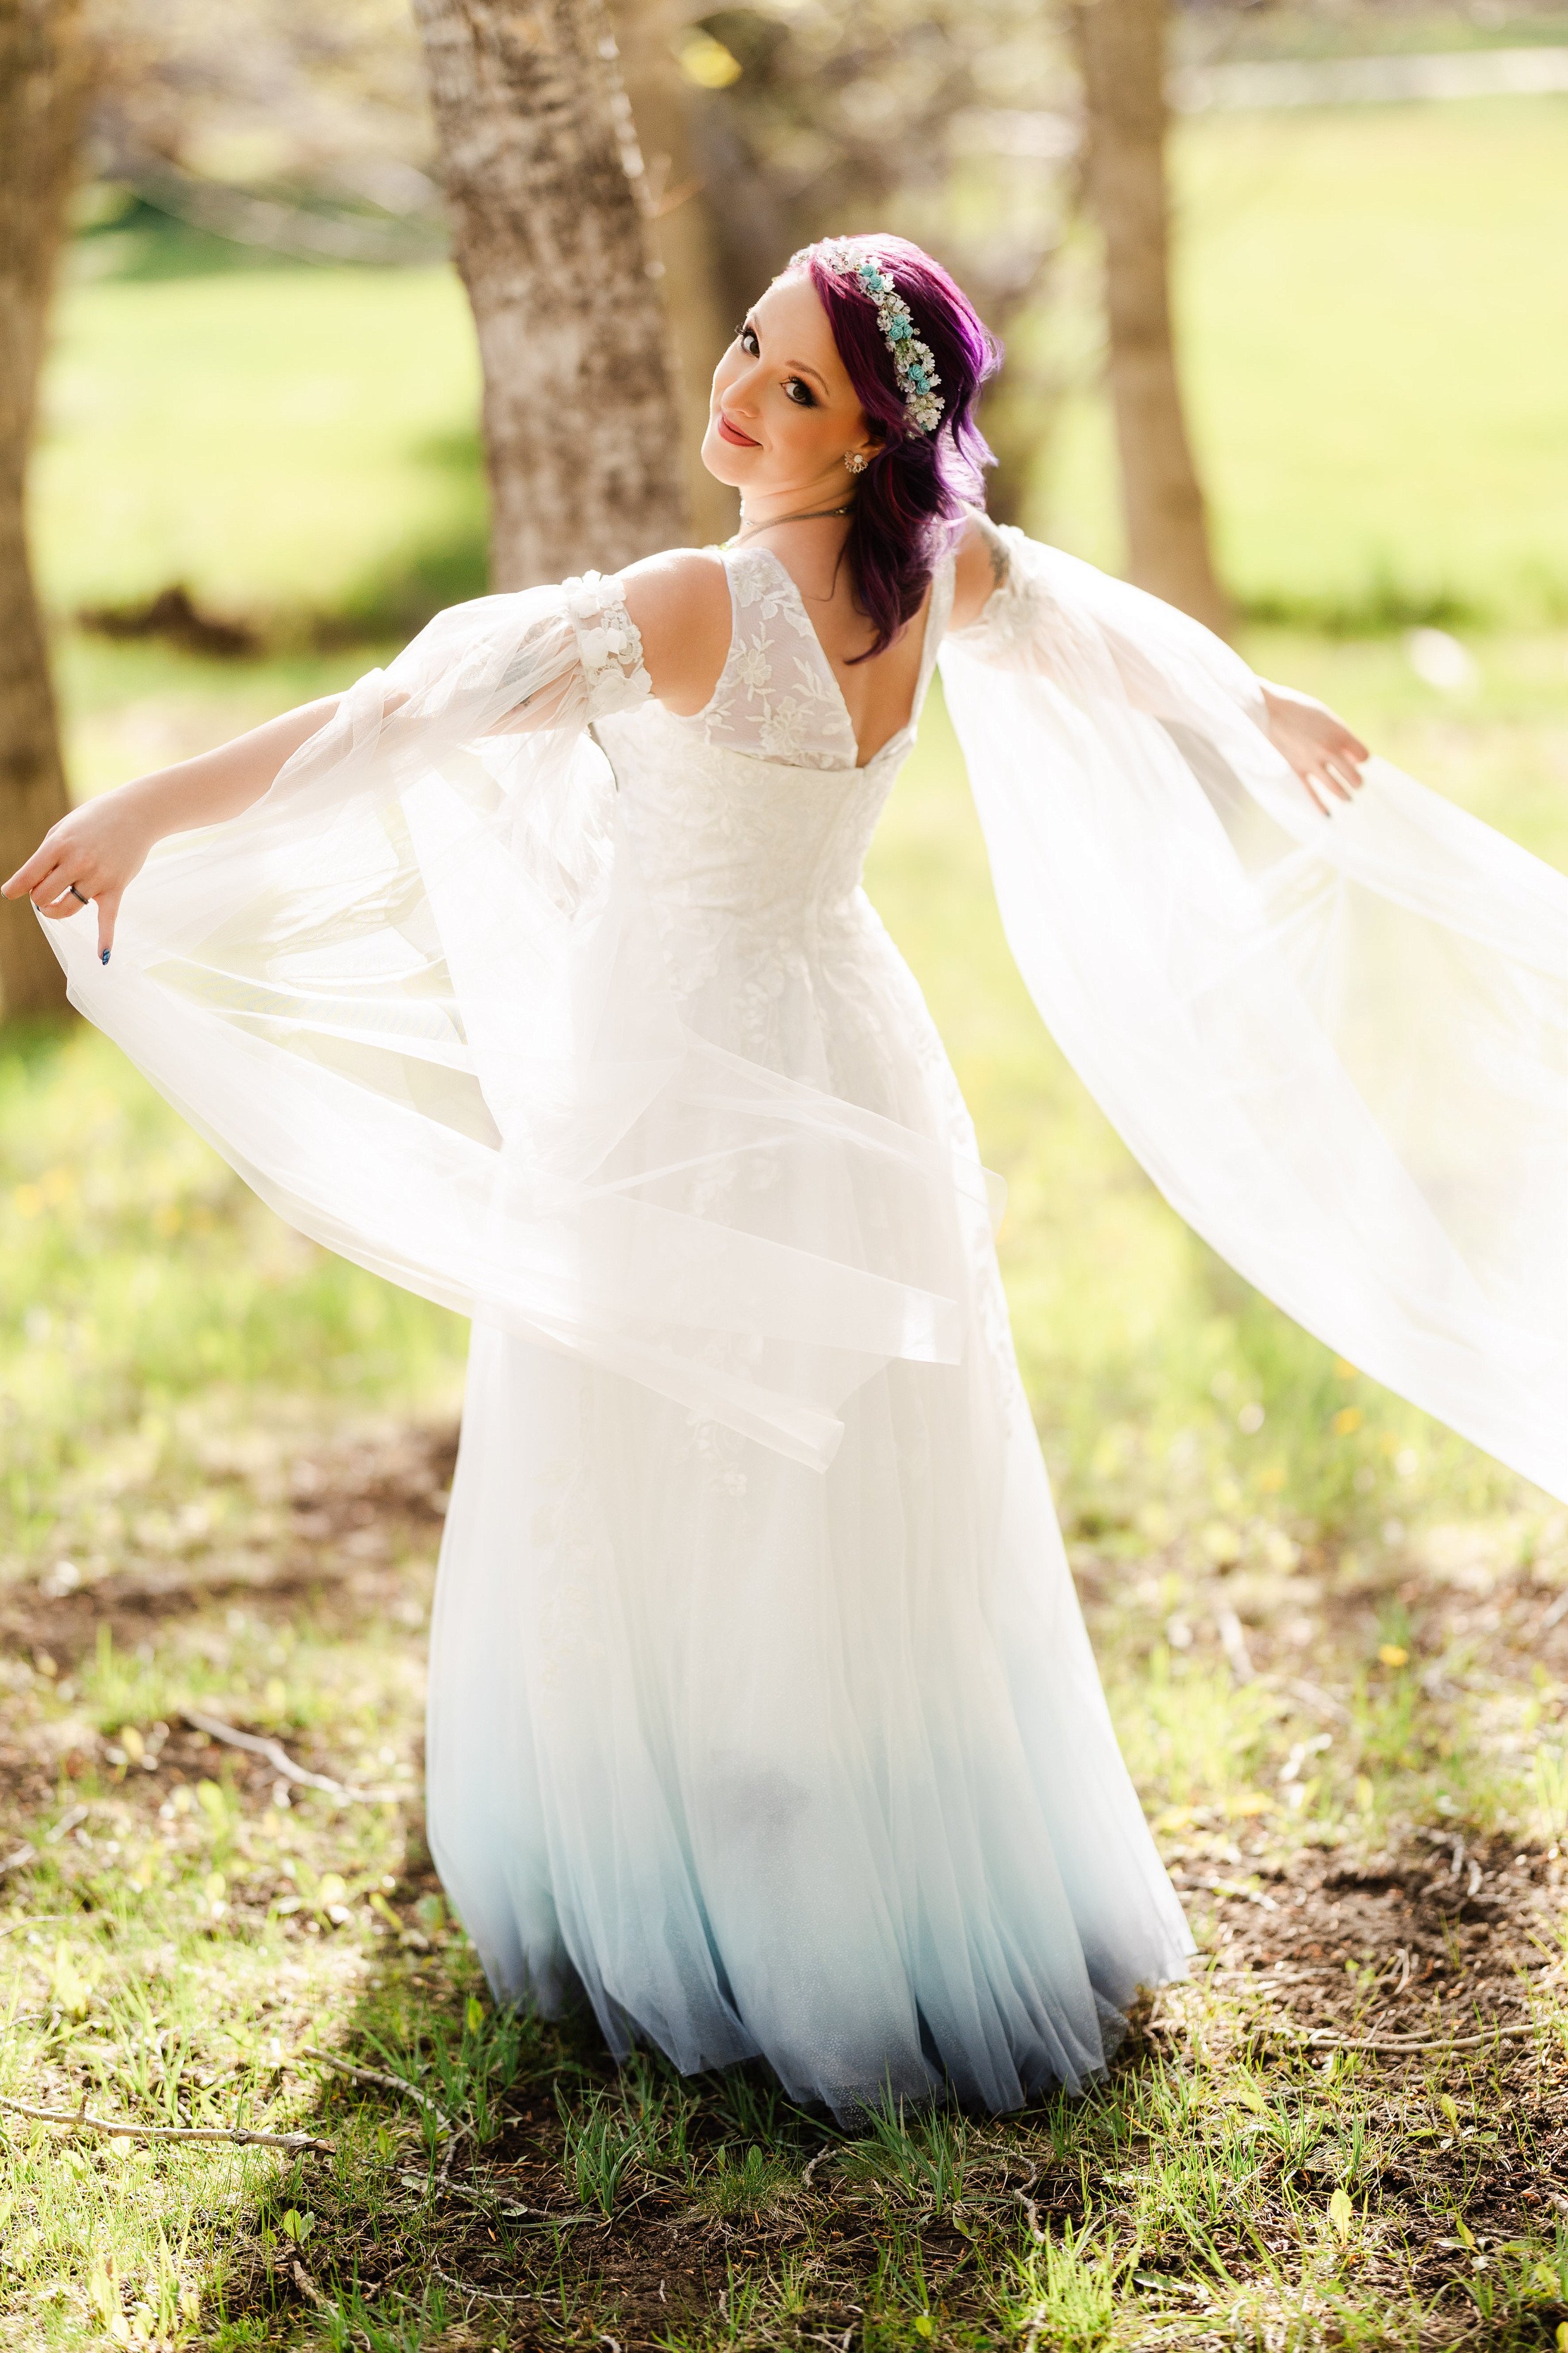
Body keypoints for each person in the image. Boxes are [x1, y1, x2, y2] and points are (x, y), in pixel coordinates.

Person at [6, 237, 1564, 2119]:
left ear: (869, 437)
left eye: (798, 386)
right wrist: (1253, 710)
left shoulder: (697, 603)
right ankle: (839, 1844)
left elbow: (384, 724)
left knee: (683, 1457)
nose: (741, 392)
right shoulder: (936, 574)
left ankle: (726, 1889)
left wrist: (138, 814)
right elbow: (1101, 625)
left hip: (680, 1078)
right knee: (833, 1469)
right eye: (749, 345)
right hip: (852, 1054)